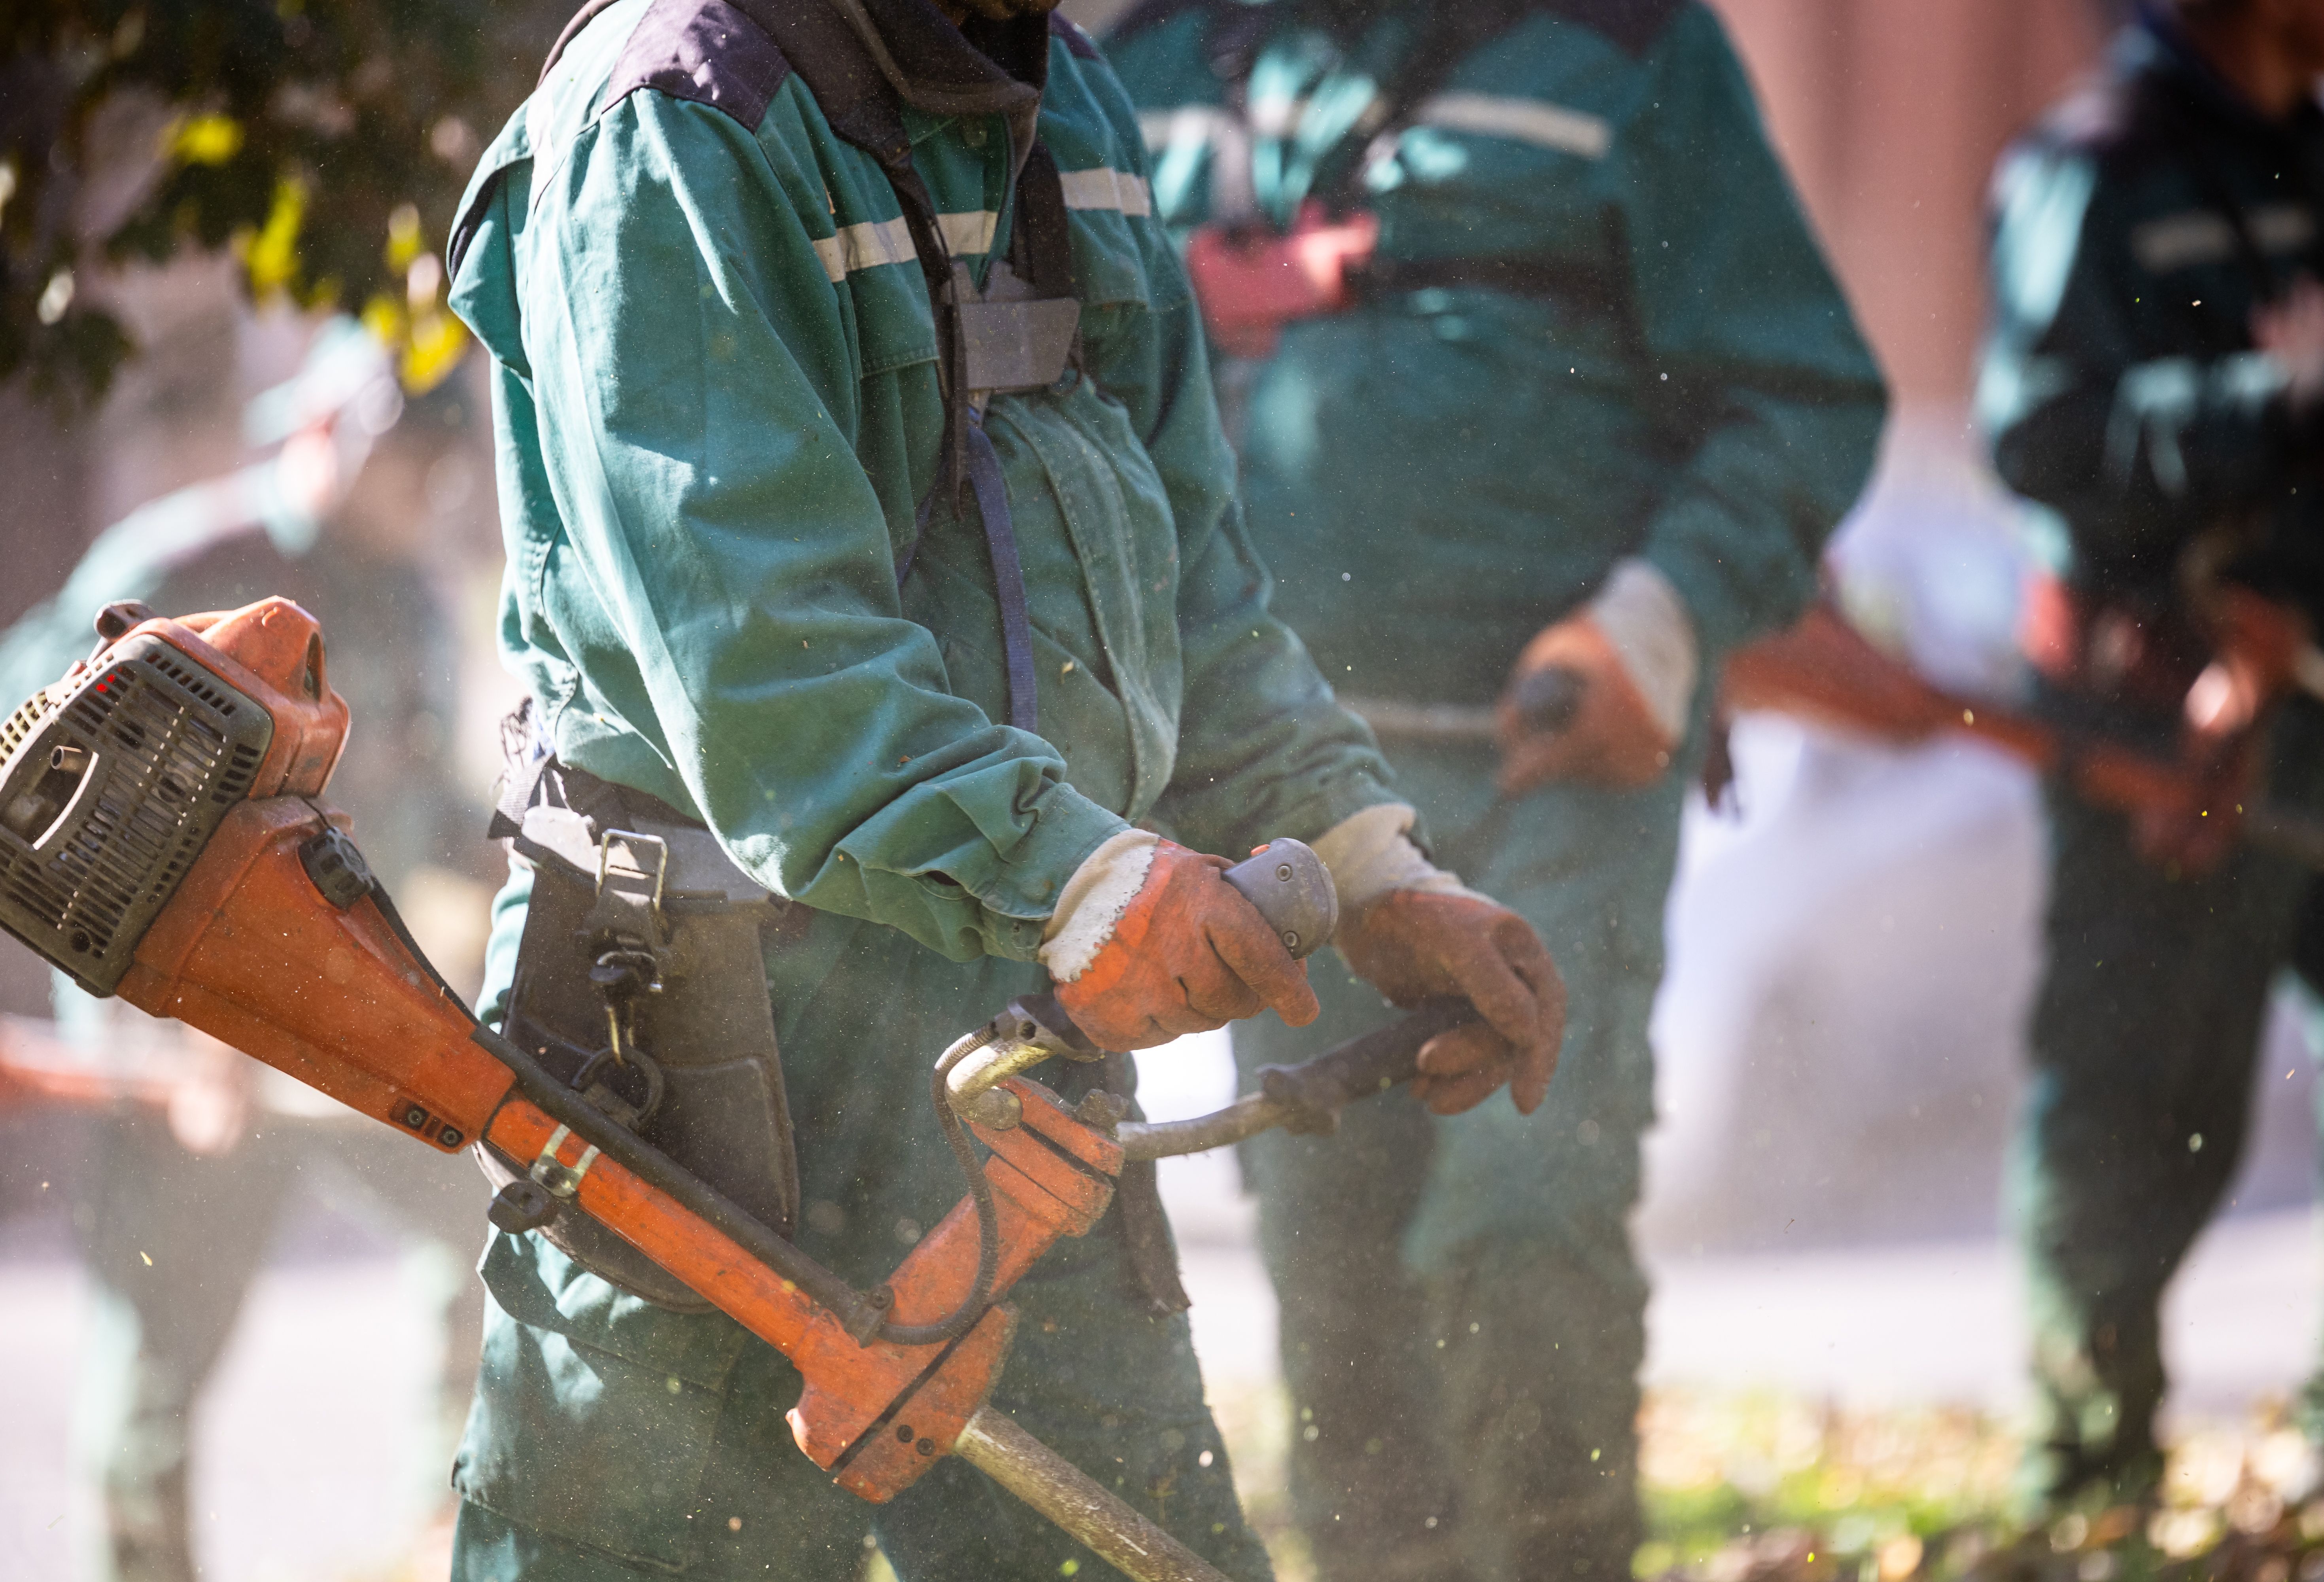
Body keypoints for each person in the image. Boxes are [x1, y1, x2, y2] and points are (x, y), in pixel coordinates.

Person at [436, 0, 1569, 1578]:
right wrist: (1085, 878)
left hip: (1008, 1048)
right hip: (695, 1053)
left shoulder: (1064, 94)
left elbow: (1188, 591)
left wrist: (1366, 860)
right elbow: (772, 666)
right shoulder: (674, 123)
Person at [1101, 5, 1887, 1580]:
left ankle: (1561, 1557)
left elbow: (1805, 398)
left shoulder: (1631, 48)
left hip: (1554, 769)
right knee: (1333, 1256)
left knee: (1522, 1218)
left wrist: (1658, 624)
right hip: (1269, 787)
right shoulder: (1149, 64)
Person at [0, 325, 498, 1582]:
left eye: (444, 467)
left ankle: (442, 1534)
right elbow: (36, 809)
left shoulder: (408, 598)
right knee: (163, 1365)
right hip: (178, 1037)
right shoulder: (184, 566)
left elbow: (429, 812)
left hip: (328, 1022)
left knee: (490, 1218)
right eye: (405, 458)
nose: (424, 491)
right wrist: (137, 1036)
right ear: (324, 429)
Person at [1979, 0, 2324, 1516]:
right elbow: (2044, 440)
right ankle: (2090, 1487)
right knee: (2146, 1098)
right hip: (2162, 706)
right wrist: (2285, 400)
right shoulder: (2093, 169)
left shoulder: (2313, 169)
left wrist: (2288, 571)